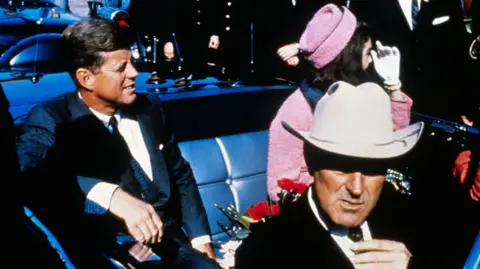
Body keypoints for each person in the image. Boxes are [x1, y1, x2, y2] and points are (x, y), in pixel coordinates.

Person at [16, 18, 220, 269]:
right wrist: (108, 194)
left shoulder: (150, 108)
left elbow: (181, 174)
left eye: (132, 62)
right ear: (86, 78)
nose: (134, 73)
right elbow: (27, 172)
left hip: (171, 247)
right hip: (105, 251)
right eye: (121, 67)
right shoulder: (54, 118)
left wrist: (201, 241)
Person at [236, 80, 425, 269]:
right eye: (342, 168)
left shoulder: (413, 218)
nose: (357, 188)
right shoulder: (265, 252)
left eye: (371, 169)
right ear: (311, 162)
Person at [267, 4, 413, 201]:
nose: (371, 60)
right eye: (368, 52)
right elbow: (280, 188)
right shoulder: (297, 110)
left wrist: (393, 85)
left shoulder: (360, 94)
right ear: (348, 56)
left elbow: (393, 136)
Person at [348, 0, 470, 121]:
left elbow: (458, 52)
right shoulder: (364, 3)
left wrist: (465, 106)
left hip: (440, 108)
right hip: (386, 109)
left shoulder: (446, 3)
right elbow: (355, 55)